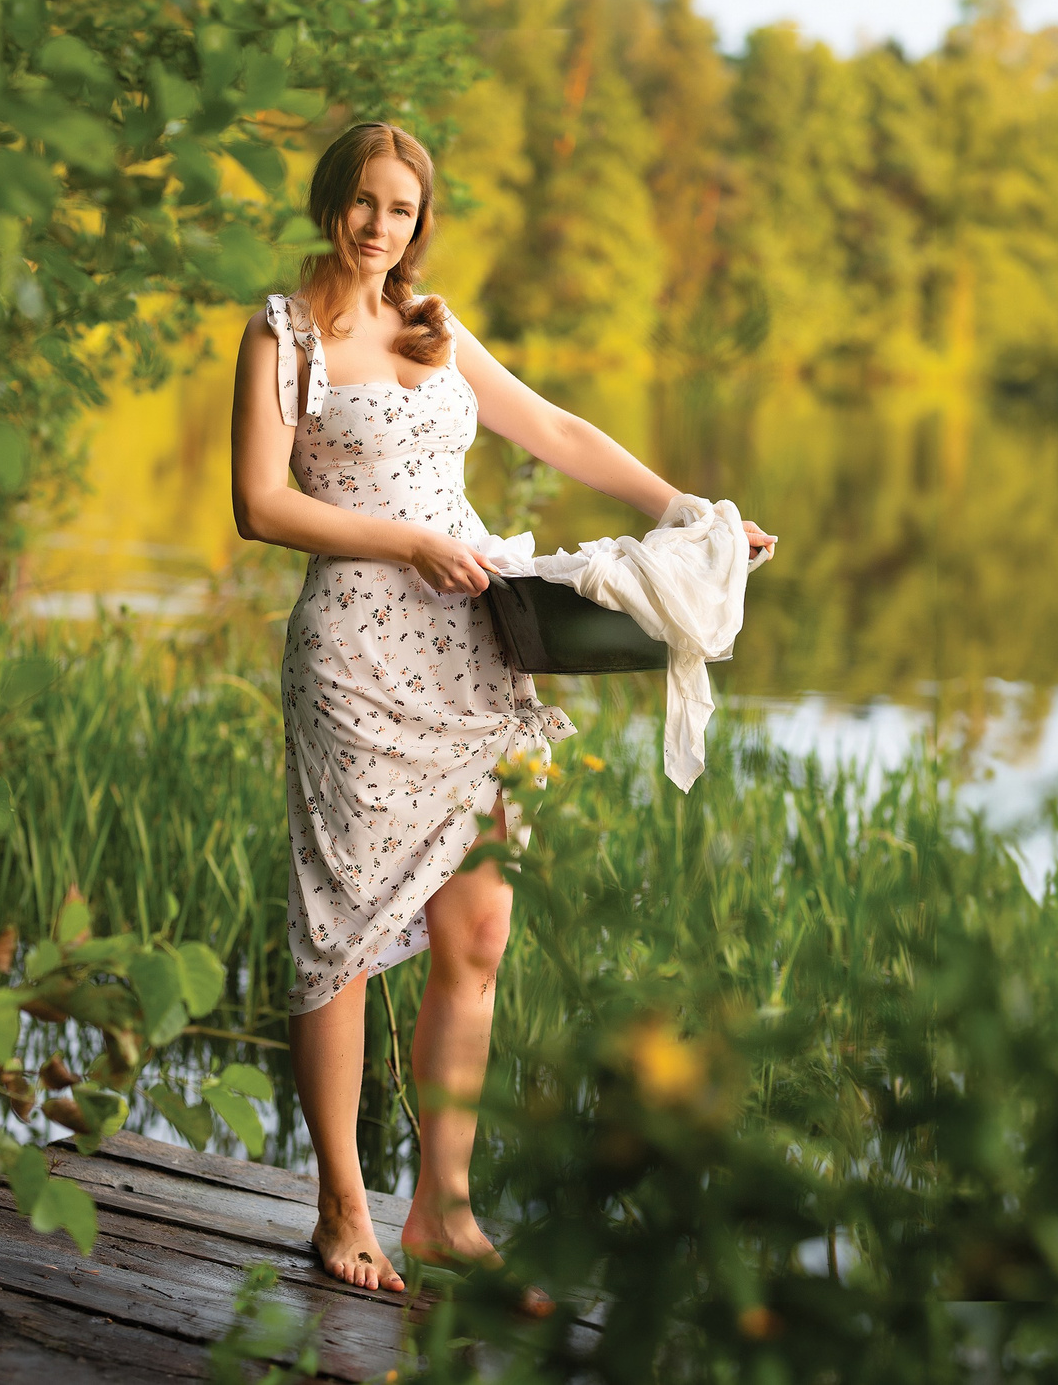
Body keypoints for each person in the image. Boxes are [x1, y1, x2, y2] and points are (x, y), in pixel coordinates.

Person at [229, 122, 776, 1293]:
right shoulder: (281, 334)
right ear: (331, 202)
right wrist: (408, 541)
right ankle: (341, 1213)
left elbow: (558, 432)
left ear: (422, 224)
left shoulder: (434, 327)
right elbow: (261, 505)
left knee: (476, 933)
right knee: (342, 939)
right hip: (357, 656)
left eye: (403, 211)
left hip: (475, 644)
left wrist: (695, 511)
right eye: (365, 203)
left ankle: (441, 1211)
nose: (381, 229)